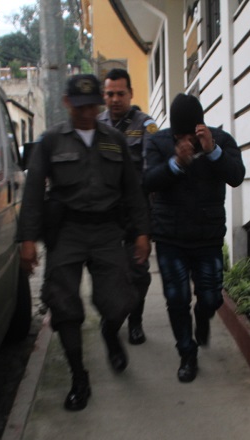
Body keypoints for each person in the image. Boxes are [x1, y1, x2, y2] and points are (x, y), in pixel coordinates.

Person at [18, 74, 151, 411]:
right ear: (67, 103)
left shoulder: (115, 140)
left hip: (107, 230)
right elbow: (33, 192)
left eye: (94, 106)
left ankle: (110, 333)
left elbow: (132, 190)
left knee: (120, 300)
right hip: (68, 231)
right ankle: (79, 377)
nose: (88, 113)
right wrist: (28, 240)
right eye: (81, 107)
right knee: (63, 306)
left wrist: (141, 233)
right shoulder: (51, 141)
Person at [143, 93, 245, 383]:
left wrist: (212, 151)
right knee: (176, 299)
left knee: (211, 298)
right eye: (180, 134)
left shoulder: (220, 140)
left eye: (191, 133)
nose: (186, 139)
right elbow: (147, 181)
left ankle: (202, 318)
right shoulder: (158, 142)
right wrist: (176, 163)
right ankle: (187, 354)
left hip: (207, 237)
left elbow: (237, 175)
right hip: (169, 237)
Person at [98, 68, 158, 345]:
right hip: (104, 218)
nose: (115, 99)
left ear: (131, 94)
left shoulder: (145, 125)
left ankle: (135, 320)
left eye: (120, 93)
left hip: (134, 215)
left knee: (137, 274)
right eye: (109, 94)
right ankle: (111, 316)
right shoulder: (95, 125)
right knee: (107, 273)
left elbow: (150, 171)